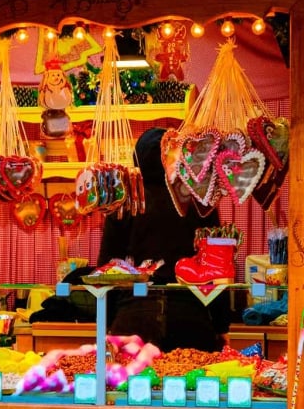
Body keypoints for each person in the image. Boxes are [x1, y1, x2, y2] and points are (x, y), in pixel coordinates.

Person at [97, 126, 231, 351]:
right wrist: (221, 324)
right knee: (193, 385)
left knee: (132, 386)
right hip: (190, 312)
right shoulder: (198, 197)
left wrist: (105, 324)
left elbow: (107, 267)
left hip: (134, 312)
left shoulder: (124, 200)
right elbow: (218, 267)